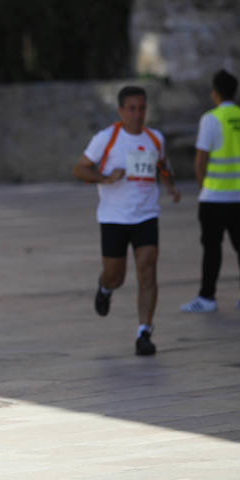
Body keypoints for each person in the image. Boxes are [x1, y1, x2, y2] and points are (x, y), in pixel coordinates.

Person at [72, 85, 180, 356]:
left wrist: (170, 186)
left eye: (142, 108)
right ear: (121, 110)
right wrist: (104, 178)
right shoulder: (107, 138)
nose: (137, 114)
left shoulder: (155, 138)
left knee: (147, 269)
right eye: (131, 108)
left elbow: (163, 166)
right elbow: (80, 169)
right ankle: (105, 288)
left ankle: (145, 331)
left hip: (146, 215)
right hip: (114, 218)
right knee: (115, 275)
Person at [181, 70, 240, 313]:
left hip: (216, 194)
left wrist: (203, 185)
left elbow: (201, 158)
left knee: (212, 246)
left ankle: (207, 297)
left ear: (215, 93)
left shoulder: (211, 119)